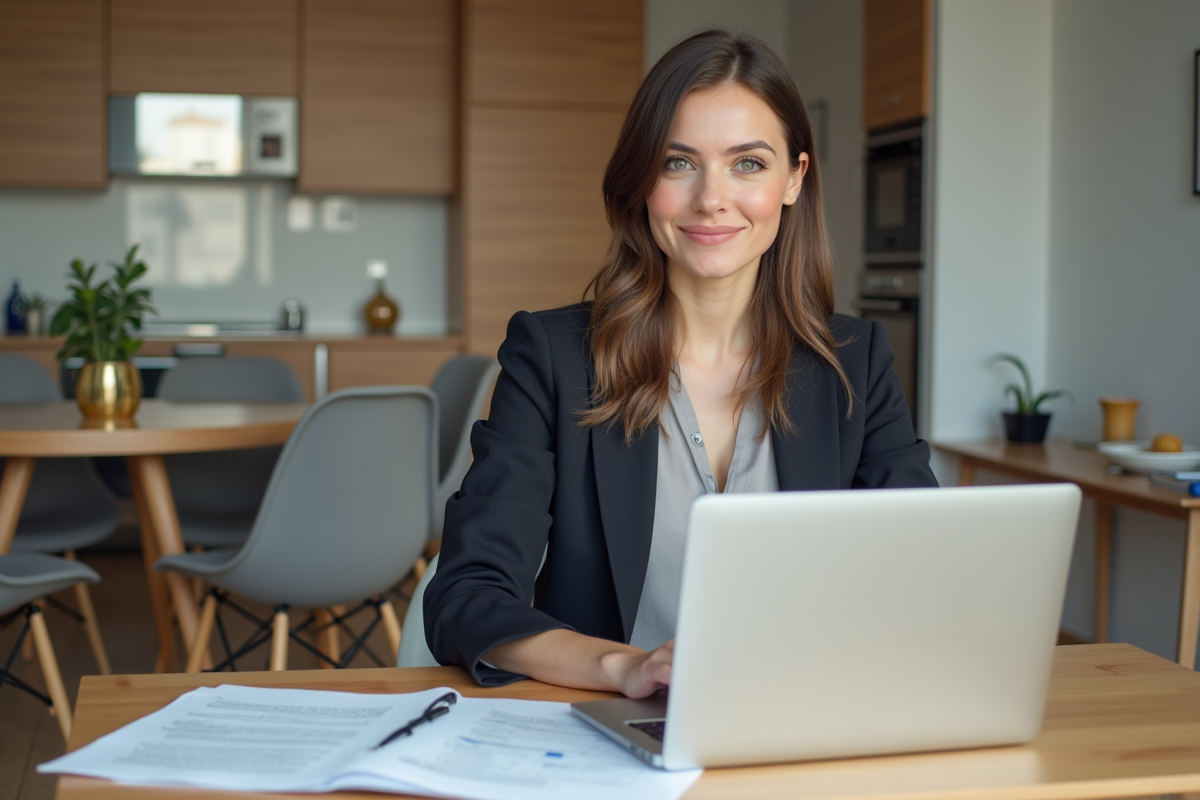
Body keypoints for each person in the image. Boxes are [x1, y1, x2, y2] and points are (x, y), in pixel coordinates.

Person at [424, 29, 938, 699]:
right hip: (608, 730)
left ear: (793, 179)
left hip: (805, 718)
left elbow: (923, 577)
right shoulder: (552, 358)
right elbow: (467, 595)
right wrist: (625, 667)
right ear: (643, 181)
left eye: (748, 163)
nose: (711, 199)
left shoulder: (855, 363)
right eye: (678, 162)